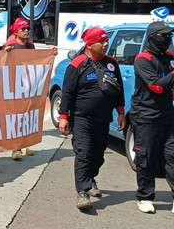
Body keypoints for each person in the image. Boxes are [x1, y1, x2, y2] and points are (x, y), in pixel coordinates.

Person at [58, 27, 125, 211]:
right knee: (83, 153)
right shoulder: (77, 64)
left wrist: (120, 112)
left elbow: (118, 91)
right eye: (101, 42)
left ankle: (89, 179)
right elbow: (68, 94)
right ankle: (83, 192)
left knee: (98, 154)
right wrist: (64, 117)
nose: (105, 44)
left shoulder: (112, 64)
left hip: (104, 119)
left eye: (106, 41)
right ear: (89, 44)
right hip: (82, 119)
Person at [131, 21, 174, 214]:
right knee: (145, 157)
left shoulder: (170, 57)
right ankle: (145, 197)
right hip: (146, 116)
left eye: (169, 36)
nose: (167, 39)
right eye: (163, 36)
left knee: (172, 156)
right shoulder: (143, 60)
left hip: (167, 114)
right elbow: (157, 86)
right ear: (153, 37)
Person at [2, 18, 58, 160]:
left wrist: (50, 54)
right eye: (23, 29)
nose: (27, 31)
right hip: (14, 88)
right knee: (17, 117)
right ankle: (15, 149)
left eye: (28, 29)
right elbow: (0, 63)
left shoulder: (30, 45)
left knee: (28, 115)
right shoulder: (10, 46)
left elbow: (36, 63)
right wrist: (3, 53)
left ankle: (24, 145)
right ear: (16, 31)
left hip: (28, 88)